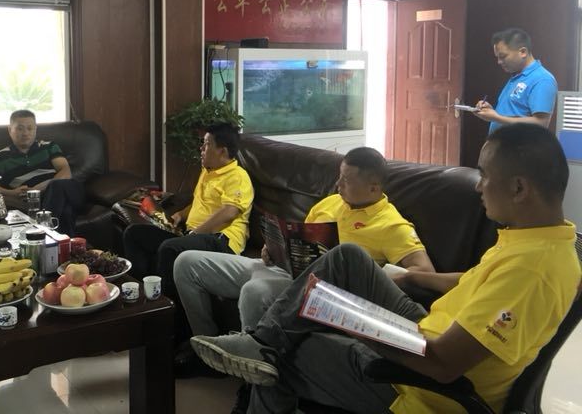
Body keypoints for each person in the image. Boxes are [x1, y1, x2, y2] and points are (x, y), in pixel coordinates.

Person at [191, 124, 580, 414]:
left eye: (485, 176)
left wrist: (358, 324)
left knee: (284, 356)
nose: (479, 186)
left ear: (518, 188)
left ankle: (264, 348)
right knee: (349, 258)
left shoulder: (533, 269)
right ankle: (264, 341)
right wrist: (411, 277)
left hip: (423, 388)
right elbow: (476, 280)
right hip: (426, 326)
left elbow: (444, 365)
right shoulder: (535, 239)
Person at [173, 147, 434, 397]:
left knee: (254, 292)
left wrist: (374, 273)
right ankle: (209, 351)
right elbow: (299, 237)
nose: (338, 184)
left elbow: (423, 270)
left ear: (373, 188)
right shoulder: (331, 202)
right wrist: (272, 248)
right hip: (277, 268)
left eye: (346, 180)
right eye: (339, 176)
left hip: (309, 287)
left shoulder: (392, 225)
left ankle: (254, 390)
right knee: (186, 263)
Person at [122, 123, 254, 309]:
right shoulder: (208, 171)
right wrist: (181, 215)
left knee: (169, 249)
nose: (201, 148)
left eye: (206, 144)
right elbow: (200, 202)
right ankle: (143, 295)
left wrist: (196, 233)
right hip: (193, 235)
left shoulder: (237, 176)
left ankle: (166, 310)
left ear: (222, 151)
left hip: (221, 241)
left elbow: (229, 212)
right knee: (134, 233)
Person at [0, 110, 84, 235]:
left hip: (68, 191)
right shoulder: (0, 157)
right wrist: (12, 193)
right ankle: (62, 242)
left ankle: (43, 231)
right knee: (66, 211)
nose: (25, 133)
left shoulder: (49, 146)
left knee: (57, 186)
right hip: (37, 203)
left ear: (35, 129)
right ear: (10, 130)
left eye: (30, 128)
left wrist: (37, 190)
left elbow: (66, 172)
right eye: (20, 128)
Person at [475, 27, 557, 134]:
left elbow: (541, 123)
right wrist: (491, 112)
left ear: (523, 52)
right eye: (497, 57)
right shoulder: (516, 77)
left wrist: (496, 117)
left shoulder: (543, 79)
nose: (499, 62)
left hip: (520, 145)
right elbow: (513, 113)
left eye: (503, 56)